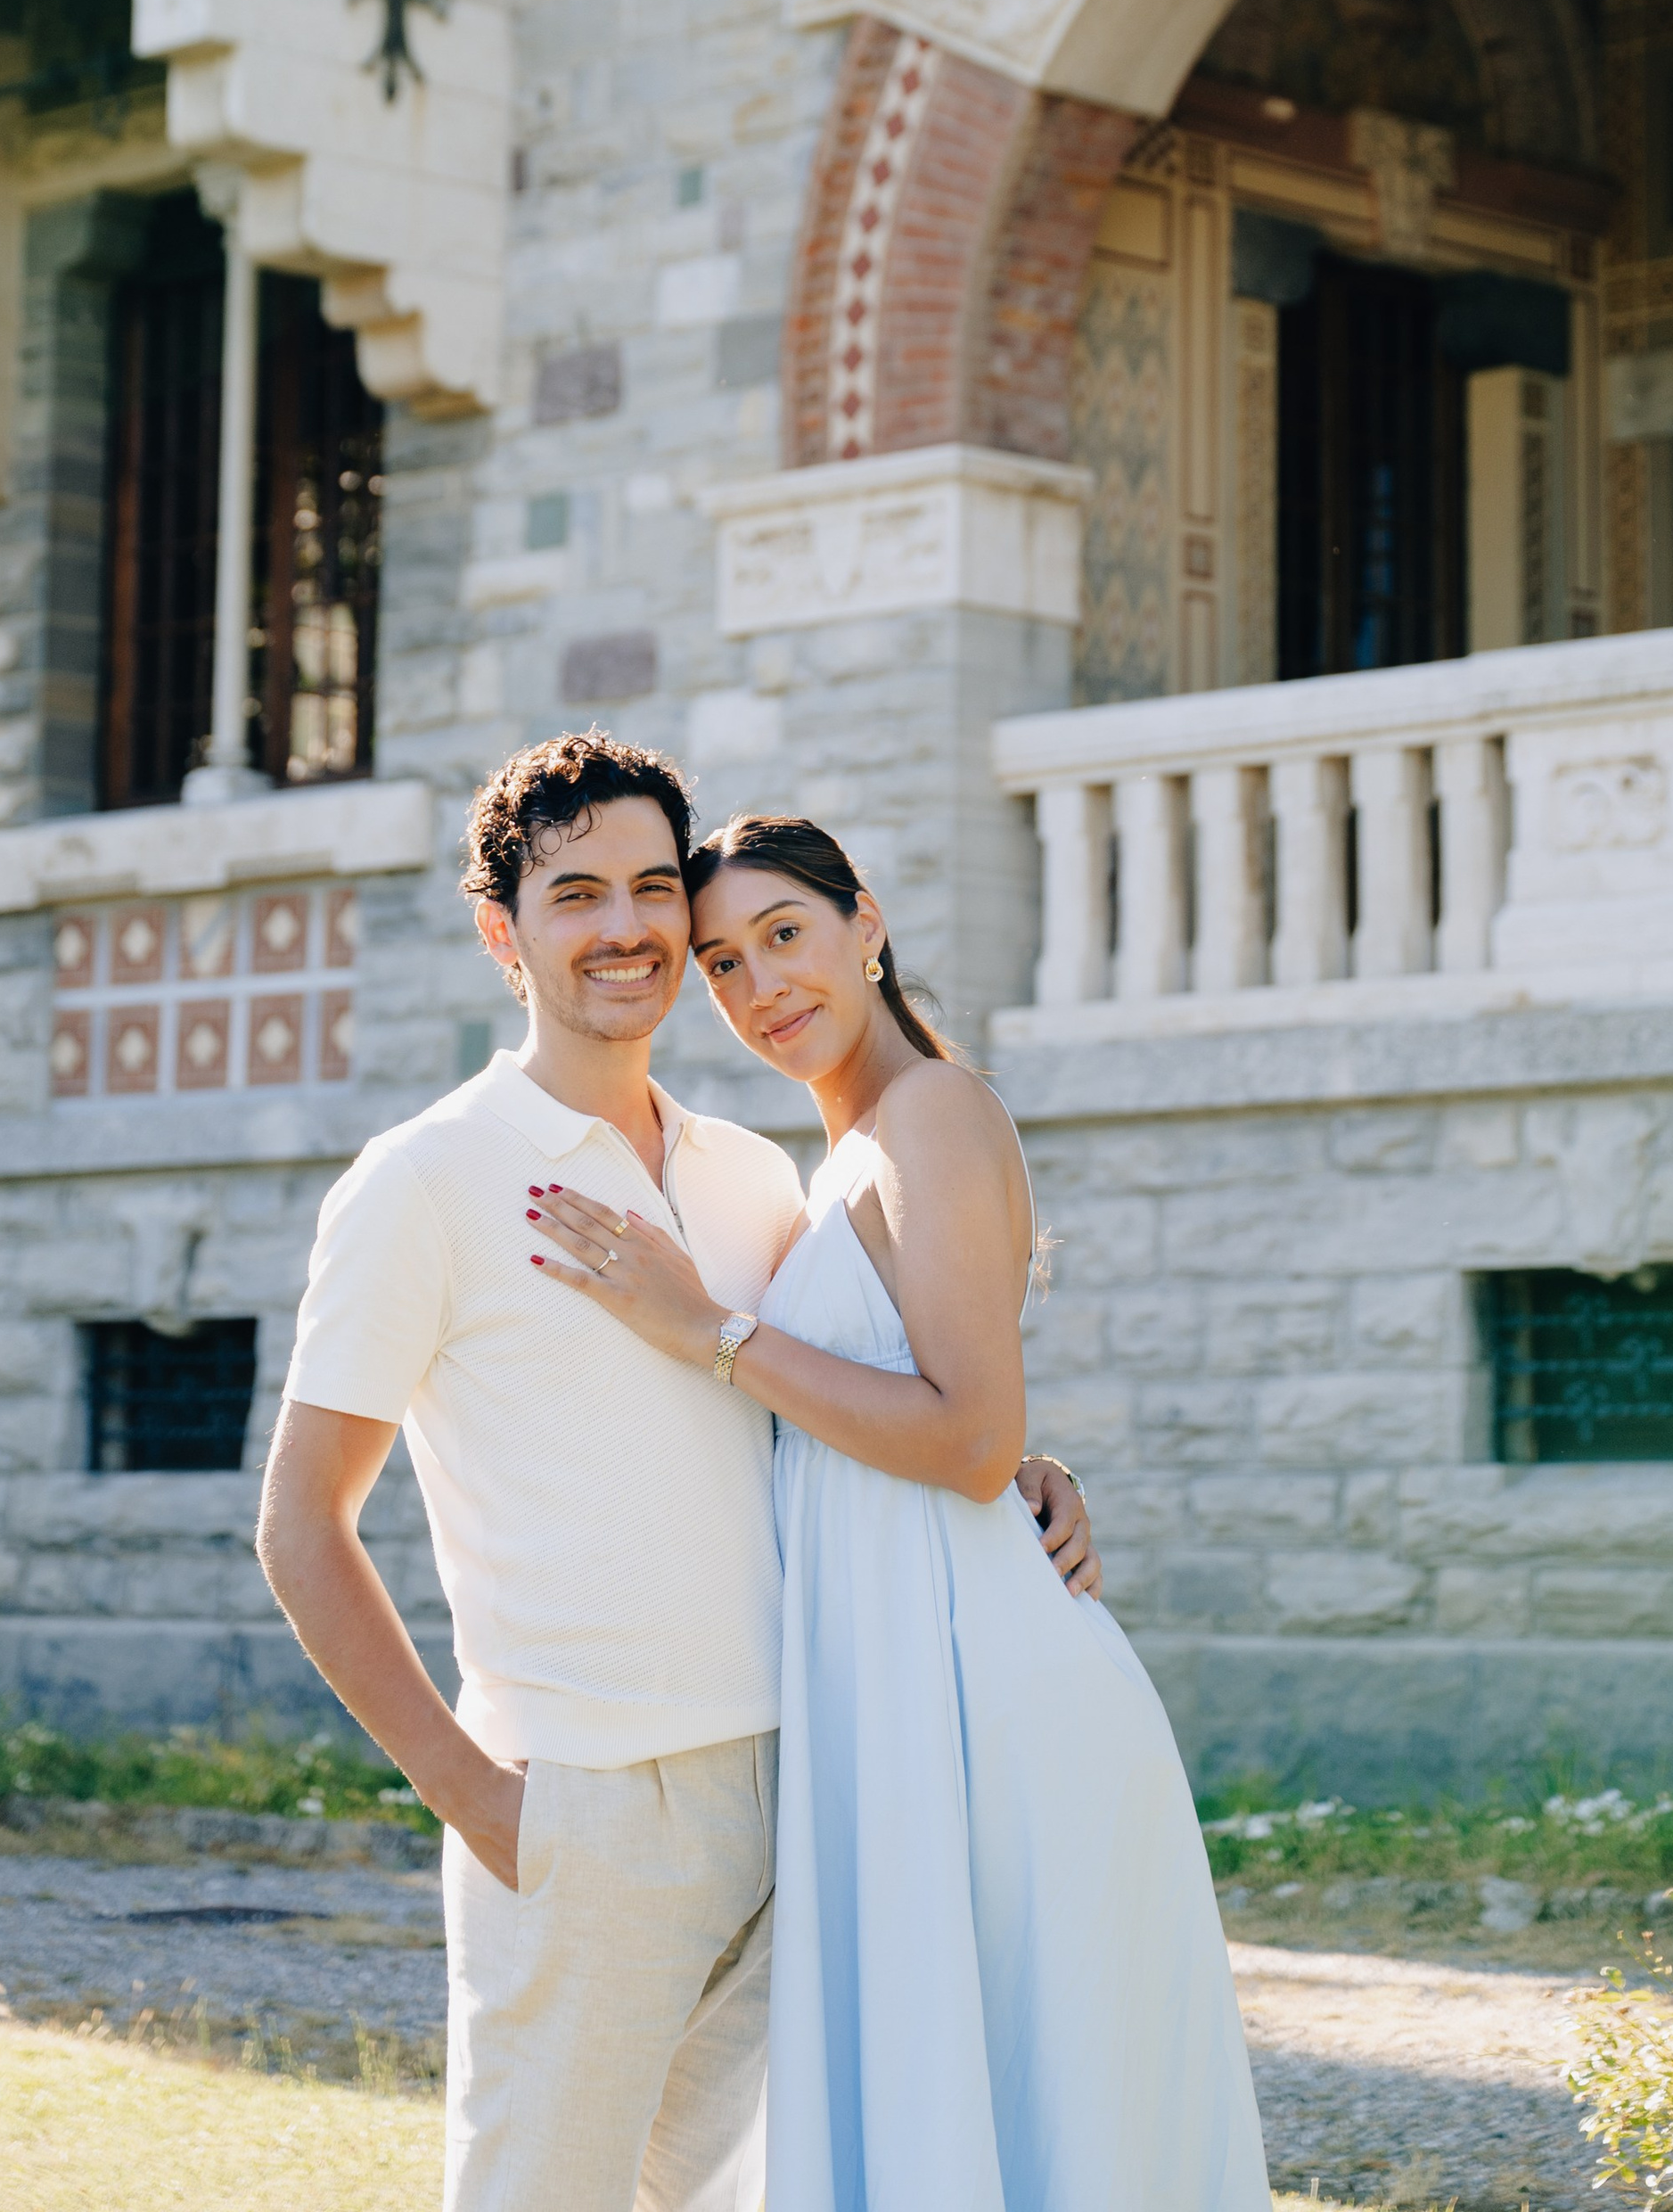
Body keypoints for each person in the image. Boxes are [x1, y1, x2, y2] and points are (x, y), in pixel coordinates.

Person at [255, 731, 1097, 2212]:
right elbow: (302, 1528)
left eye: (654, 889)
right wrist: (479, 1798)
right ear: (501, 930)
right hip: (581, 1807)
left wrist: (1017, 1463)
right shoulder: (423, 1178)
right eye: (576, 894)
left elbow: (818, 1412)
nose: (630, 928)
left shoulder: (748, 1175)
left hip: (807, 1783)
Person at [529, 806, 1272, 2212]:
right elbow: (958, 1417)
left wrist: (708, 1331)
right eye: (724, 964)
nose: (762, 988)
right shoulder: (850, 1147)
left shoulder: (933, 1110)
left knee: (1041, 2103)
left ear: (865, 921)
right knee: (955, 2096)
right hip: (903, 1686)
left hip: (983, 1700)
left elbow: (974, 1439)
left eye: (786, 935)